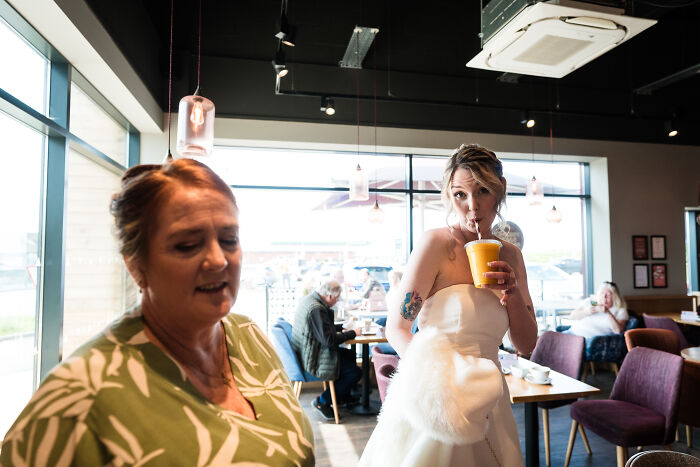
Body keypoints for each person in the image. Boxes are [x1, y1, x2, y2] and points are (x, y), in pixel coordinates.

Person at [1, 159, 314, 465]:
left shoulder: (248, 335)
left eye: (229, 239)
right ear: (136, 264)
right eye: (188, 245)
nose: (219, 260)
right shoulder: (80, 396)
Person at [360, 144, 537, 467]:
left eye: (483, 191)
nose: (472, 207)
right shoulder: (436, 245)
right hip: (436, 395)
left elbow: (526, 344)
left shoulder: (511, 256)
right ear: (448, 195)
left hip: (489, 397)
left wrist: (512, 295)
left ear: (500, 192)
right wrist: (437, 385)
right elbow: (397, 328)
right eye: (460, 195)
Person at [292, 280, 363, 421]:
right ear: (330, 296)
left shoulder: (310, 301)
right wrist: (353, 333)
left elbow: (321, 330)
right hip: (313, 359)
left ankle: (341, 397)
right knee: (355, 372)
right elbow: (329, 340)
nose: (337, 302)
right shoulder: (316, 309)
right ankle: (322, 401)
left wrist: (341, 328)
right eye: (337, 298)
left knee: (349, 354)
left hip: (308, 353)